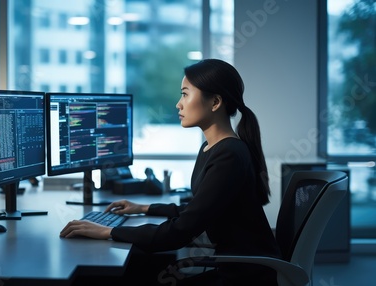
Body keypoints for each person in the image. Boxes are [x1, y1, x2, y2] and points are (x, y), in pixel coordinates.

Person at [60, 59, 281, 285]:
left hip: (246, 277)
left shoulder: (229, 154)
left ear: (215, 102)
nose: (178, 104)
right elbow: (199, 209)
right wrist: (144, 208)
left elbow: (179, 232)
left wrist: (108, 232)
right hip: (238, 269)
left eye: (185, 94)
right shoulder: (213, 148)